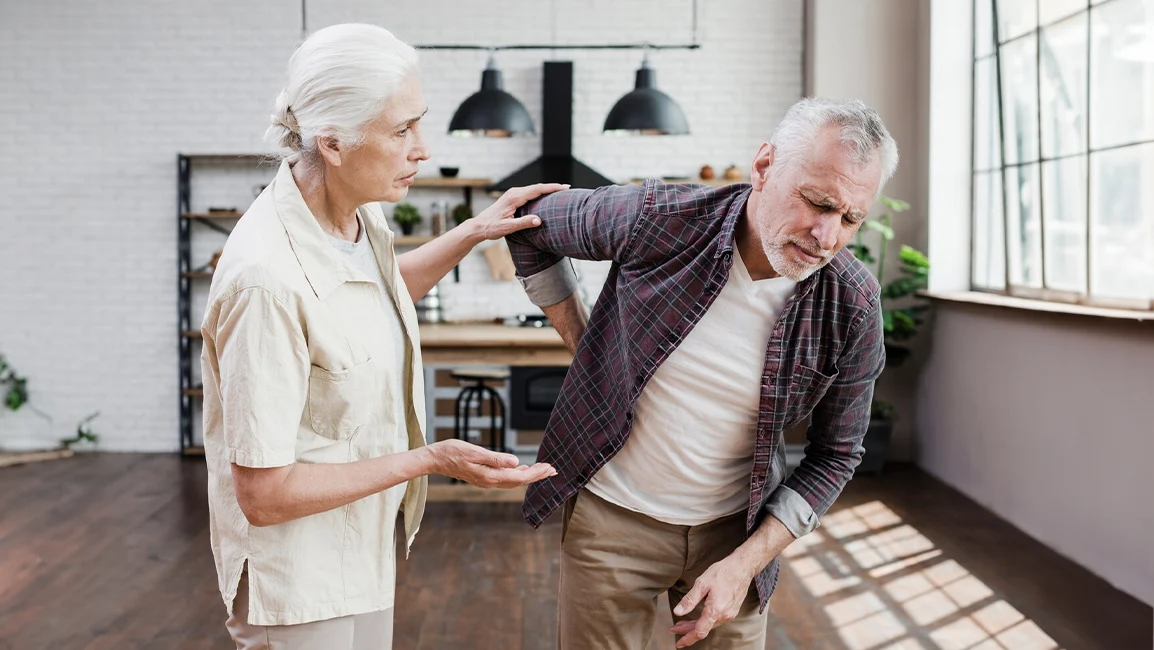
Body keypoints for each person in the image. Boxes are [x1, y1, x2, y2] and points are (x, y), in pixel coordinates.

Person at [199, 23, 562, 650]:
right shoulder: (264, 282)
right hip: (298, 582)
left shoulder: (355, 215)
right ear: (332, 142)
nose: (422, 149)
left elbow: (374, 292)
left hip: (360, 551)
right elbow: (263, 494)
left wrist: (474, 231)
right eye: (402, 131)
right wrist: (431, 460)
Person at [505, 97, 898, 649]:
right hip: (611, 521)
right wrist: (584, 341)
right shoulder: (660, 217)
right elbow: (528, 225)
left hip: (736, 536)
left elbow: (835, 455)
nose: (826, 236)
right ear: (764, 166)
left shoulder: (852, 303)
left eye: (851, 218)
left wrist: (746, 563)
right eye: (817, 202)